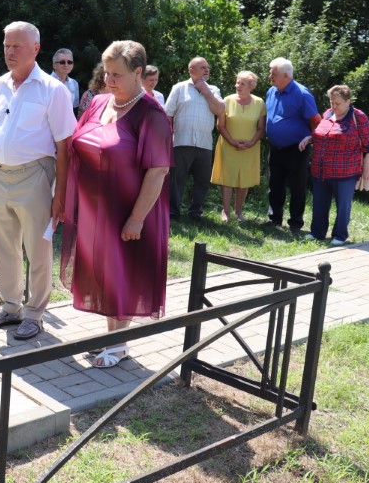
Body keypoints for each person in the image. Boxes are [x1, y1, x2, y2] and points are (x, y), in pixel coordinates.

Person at [60, 40, 172, 368]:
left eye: (117, 74)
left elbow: (158, 170)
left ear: (138, 72)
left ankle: (119, 343)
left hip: (129, 209)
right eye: (106, 72)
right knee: (103, 271)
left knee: (123, 271)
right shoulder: (98, 103)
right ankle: (110, 335)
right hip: (95, 209)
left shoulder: (151, 114)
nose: (108, 80)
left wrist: (136, 218)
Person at [0, 22, 77, 340]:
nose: (9, 51)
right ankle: (11, 306)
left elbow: (64, 147)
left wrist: (60, 196)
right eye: (6, 45)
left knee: (38, 249)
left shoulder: (53, 90)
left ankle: (34, 313)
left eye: (17, 46)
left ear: (36, 49)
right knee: (3, 247)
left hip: (35, 176)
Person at [299, 85, 369, 246]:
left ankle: (340, 235)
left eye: (338, 103)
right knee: (319, 203)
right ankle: (317, 232)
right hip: (321, 169)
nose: (334, 106)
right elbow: (322, 134)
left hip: (345, 171)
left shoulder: (358, 116)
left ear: (348, 101)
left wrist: (367, 165)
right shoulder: (328, 113)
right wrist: (310, 138)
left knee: (343, 205)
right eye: (332, 102)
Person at [164, 57, 225, 220]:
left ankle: (195, 212)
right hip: (181, 141)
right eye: (203, 67)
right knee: (177, 179)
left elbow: (220, 110)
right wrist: (167, 139)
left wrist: (206, 91)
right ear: (191, 71)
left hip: (205, 143)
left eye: (208, 67)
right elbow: (168, 115)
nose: (207, 70)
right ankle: (173, 212)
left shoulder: (213, 89)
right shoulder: (179, 88)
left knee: (202, 180)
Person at [264, 57, 321, 232]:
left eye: (273, 74)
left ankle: (296, 222)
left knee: (297, 186)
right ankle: (274, 218)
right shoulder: (271, 91)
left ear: (286, 76)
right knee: (275, 184)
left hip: (297, 148)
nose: (270, 77)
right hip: (275, 148)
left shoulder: (302, 93)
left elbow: (316, 121)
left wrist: (310, 138)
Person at [210, 71, 266, 222]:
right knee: (227, 179)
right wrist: (232, 141)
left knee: (244, 180)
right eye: (237, 82)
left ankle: (239, 212)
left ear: (251, 86)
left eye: (242, 83)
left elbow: (261, 127)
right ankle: (226, 212)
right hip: (228, 145)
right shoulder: (227, 100)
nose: (238, 86)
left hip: (250, 147)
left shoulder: (259, 103)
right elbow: (220, 125)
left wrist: (252, 142)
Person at [50, 48, 80, 115]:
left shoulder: (74, 84)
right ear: (54, 65)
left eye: (69, 62)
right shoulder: (46, 82)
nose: (66, 65)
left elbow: (74, 108)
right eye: (62, 62)